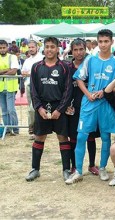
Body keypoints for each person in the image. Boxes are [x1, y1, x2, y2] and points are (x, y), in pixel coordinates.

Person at [65, 29, 115, 185]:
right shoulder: (90, 60)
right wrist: (87, 93)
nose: (103, 44)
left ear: (112, 42)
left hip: (106, 105)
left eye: (106, 41)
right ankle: (78, 171)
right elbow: (78, 78)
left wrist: (106, 92)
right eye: (101, 41)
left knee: (105, 137)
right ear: (97, 43)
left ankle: (103, 168)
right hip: (89, 103)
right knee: (81, 137)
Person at [25, 37, 72, 182]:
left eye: (53, 47)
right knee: (39, 137)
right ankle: (35, 169)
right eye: (47, 47)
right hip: (43, 107)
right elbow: (33, 90)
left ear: (58, 49)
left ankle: (65, 169)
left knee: (63, 137)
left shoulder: (64, 67)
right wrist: (38, 108)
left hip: (59, 108)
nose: (50, 49)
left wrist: (60, 109)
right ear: (43, 48)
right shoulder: (36, 67)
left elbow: (68, 90)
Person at [65, 38, 99, 175]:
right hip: (73, 109)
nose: (79, 53)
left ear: (86, 49)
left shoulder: (92, 65)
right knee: (74, 138)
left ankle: (91, 164)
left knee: (90, 137)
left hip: (89, 106)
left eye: (81, 49)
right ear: (71, 51)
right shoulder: (67, 68)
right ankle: (74, 166)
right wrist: (66, 105)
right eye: (75, 50)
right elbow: (64, 89)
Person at [21, 40, 43, 140]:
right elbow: (22, 72)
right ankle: (33, 129)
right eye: (29, 47)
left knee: (33, 108)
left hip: (38, 87)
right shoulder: (27, 60)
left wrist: (29, 73)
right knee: (31, 109)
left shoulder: (41, 59)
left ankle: (35, 129)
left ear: (37, 47)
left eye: (32, 47)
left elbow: (39, 72)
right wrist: (27, 73)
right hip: (28, 85)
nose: (30, 49)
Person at [0, 39, 20, 135]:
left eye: (4, 47)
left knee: (11, 109)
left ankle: (15, 129)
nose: (2, 50)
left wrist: (2, 72)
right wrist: (6, 70)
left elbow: (13, 71)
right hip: (1, 87)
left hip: (10, 87)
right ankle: (7, 129)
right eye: (0, 48)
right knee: (4, 110)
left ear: (7, 47)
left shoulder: (12, 57)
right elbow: (10, 70)